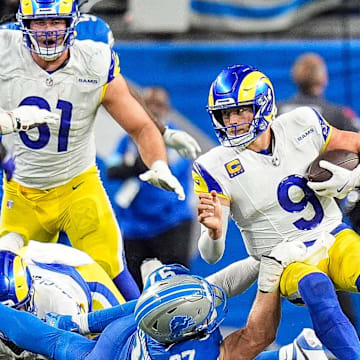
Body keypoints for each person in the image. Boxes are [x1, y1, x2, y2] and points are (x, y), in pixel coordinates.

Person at [0, 0, 199, 303]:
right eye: (40, 23)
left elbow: (140, 125)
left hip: (77, 187)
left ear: (74, 25)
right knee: (7, 281)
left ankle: (143, 341)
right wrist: (12, 121)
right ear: (22, 25)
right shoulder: (5, 49)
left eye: (56, 22)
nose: (48, 32)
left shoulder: (92, 60)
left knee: (112, 270)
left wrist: (158, 161)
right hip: (22, 194)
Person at [193, 64, 360, 360]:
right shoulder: (213, 166)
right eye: (225, 114)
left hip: (333, 236)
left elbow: (356, 145)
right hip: (284, 259)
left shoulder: (301, 123)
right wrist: (214, 232)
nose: (231, 121)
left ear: (263, 105)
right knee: (316, 288)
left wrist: (354, 177)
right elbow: (211, 255)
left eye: (240, 111)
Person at [0, 240, 328, 359]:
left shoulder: (156, 318)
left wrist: (266, 261)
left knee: (56, 342)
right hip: (119, 347)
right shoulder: (196, 346)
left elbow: (140, 309)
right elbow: (259, 335)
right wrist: (270, 270)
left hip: (111, 348)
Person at [277, 51, 360, 332]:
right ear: (322, 78)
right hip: (325, 215)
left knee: (276, 284)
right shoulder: (335, 114)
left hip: (279, 221)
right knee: (338, 279)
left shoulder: (275, 112)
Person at [107, 86, 195, 287]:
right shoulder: (128, 139)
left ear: (167, 109)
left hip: (171, 221)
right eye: (148, 105)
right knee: (130, 287)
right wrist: (134, 163)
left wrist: (132, 163)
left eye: (159, 105)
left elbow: (160, 165)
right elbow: (112, 169)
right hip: (135, 224)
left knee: (178, 283)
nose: (154, 110)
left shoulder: (175, 138)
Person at [0, 232, 126, 359]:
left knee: (123, 343)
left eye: (17, 309)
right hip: (29, 262)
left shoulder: (60, 304)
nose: (12, 318)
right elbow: (11, 239)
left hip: (83, 277)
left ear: (31, 297)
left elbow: (85, 352)